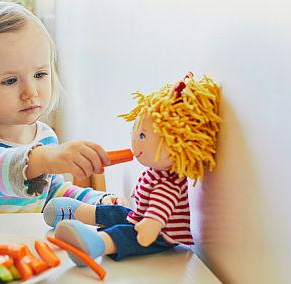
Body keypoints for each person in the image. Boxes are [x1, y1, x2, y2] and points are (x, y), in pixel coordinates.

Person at [0, 1, 118, 214]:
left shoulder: (44, 137)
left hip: (13, 243)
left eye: (39, 75)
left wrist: (97, 201)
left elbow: (52, 194)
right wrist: (44, 159)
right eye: (10, 81)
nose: (31, 92)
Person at [43, 73, 221, 262]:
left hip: (158, 234)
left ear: (177, 143)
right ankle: (76, 211)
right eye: (135, 132)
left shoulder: (170, 183)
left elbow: (159, 211)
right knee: (118, 212)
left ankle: (96, 243)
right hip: (139, 217)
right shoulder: (157, 172)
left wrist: (150, 225)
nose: (135, 142)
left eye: (142, 137)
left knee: (126, 233)